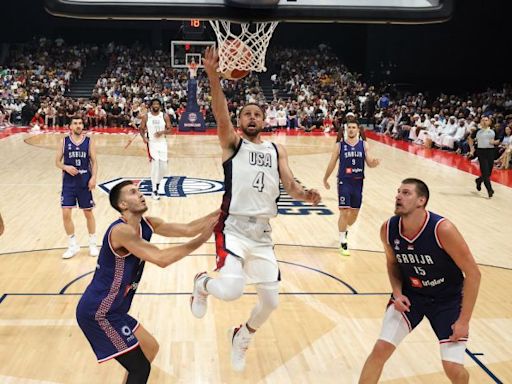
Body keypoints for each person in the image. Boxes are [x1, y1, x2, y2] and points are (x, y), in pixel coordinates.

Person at [190, 47, 321, 372]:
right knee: (232, 290)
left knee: (271, 301)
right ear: (240, 121)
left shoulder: (278, 149)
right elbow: (220, 114)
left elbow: (290, 185)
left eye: (257, 115)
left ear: (264, 121)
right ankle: (202, 284)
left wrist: (306, 193)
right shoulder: (233, 144)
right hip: (233, 228)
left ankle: (243, 335)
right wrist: (212, 78)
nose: (252, 118)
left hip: (262, 233)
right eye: (246, 114)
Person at [76, 180, 218, 384]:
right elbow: (162, 259)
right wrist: (203, 239)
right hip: (99, 313)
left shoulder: (148, 224)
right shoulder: (121, 231)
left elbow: (188, 229)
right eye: (133, 192)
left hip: (115, 312)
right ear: (123, 205)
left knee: (150, 348)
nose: (141, 194)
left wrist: (223, 209)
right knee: (140, 367)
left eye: (140, 191)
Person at [359, 178, 481, 384]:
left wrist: (464, 321)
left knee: (453, 369)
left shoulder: (443, 229)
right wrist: (397, 293)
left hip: (447, 301)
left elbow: (474, 274)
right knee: (380, 350)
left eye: (406, 193)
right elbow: (392, 264)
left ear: (421, 201)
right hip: (411, 296)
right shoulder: (388, 229)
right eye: (398, 192)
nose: (398, 196)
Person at [323, 121, 380, 256]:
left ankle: (344, 230)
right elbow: (332, 162)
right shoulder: (339, 146)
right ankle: (343, 241)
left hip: (358, 182)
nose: (351, 130)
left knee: (353, 215)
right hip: (344, 181)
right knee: (344, 212)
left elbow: (369, 162)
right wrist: (325, 178)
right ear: (346, 129)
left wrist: (373, 163)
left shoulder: (364, 145)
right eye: (349, 127)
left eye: (354, 127)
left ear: (358, 130)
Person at [55, 115, 99, 259]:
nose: (79, 125)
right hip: (68, 183)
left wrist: (93, 178)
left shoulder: (89, 141)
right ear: (70, 126)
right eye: (75, 123)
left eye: (80, 123)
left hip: (84, 181)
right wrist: (65, 167)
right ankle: (73, 245)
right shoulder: (64, 141)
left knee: (88, 213)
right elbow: (57, 162)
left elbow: (94, 162)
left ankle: (92, 243)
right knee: (66, 213)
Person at [139, 99, 172, 200]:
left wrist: (162, 132)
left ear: (160, 106)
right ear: (151, 106)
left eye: (157, 104)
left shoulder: (164, 116)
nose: (156, 105)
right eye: (154, 104)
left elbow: (170, 129)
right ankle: (154, 190)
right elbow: (141, 128)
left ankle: (157, 183)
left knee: (164, 167)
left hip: (162, 143)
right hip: (152, 143)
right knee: (155, 164)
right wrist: (144, 138)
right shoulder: (146, 116)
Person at [474, 116, 497, 198]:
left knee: (488, 173)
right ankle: (489, 190)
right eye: (483, 120)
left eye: (486, 120)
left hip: (490, 152)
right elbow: (469, 138)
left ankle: (479, 180)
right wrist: (471, 149)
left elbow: (499, 140)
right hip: (481, 152)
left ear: (489, 122)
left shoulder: (493, 131)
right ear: (480, 122)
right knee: (485, 172)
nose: (484, 121)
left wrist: (495, 142)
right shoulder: (477, 131)